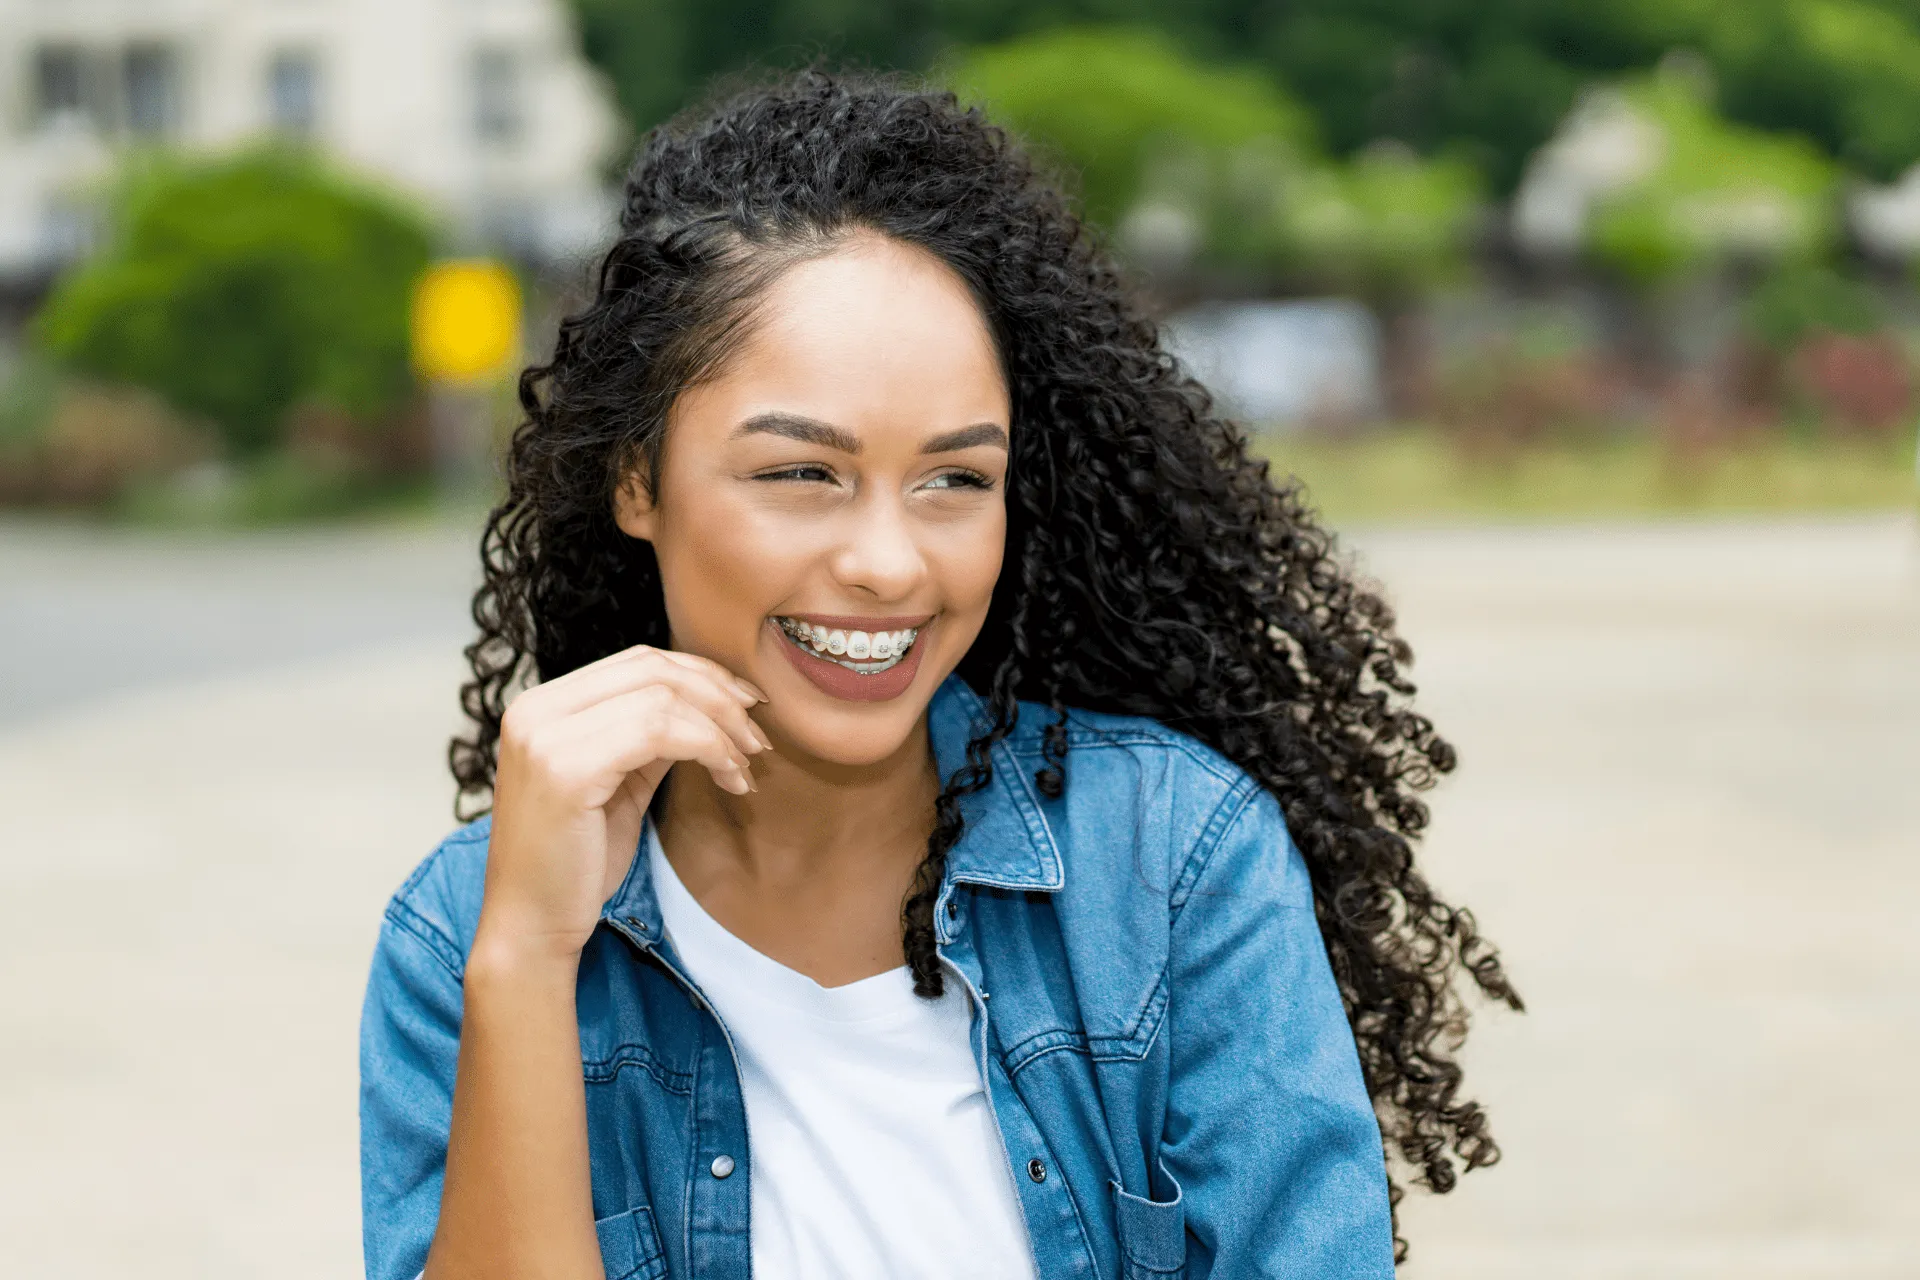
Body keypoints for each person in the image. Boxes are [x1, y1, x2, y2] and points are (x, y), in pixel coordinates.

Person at [359, 72, 1522, 1280]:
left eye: (956, 480)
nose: (886, 561)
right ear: (636, 482)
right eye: (802, 474)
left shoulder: (1175, 863)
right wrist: (527, 958)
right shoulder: (463, 936)